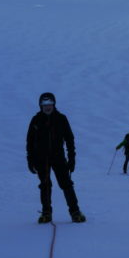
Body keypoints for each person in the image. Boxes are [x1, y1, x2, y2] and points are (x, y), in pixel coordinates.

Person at [26, 92, 86, 223]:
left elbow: (69, 140)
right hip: (41, 159)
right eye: (44, 104)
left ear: (54, 104)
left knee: (66, 184)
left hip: (58, 158)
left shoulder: (61, 119)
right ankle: (46, 213)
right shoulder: (36, 120)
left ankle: (75, 212)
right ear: (40, 105)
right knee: (45, 185)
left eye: (49, 104)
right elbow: (29, 142)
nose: (47, 107)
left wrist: (72, 159)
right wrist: (30, 160)